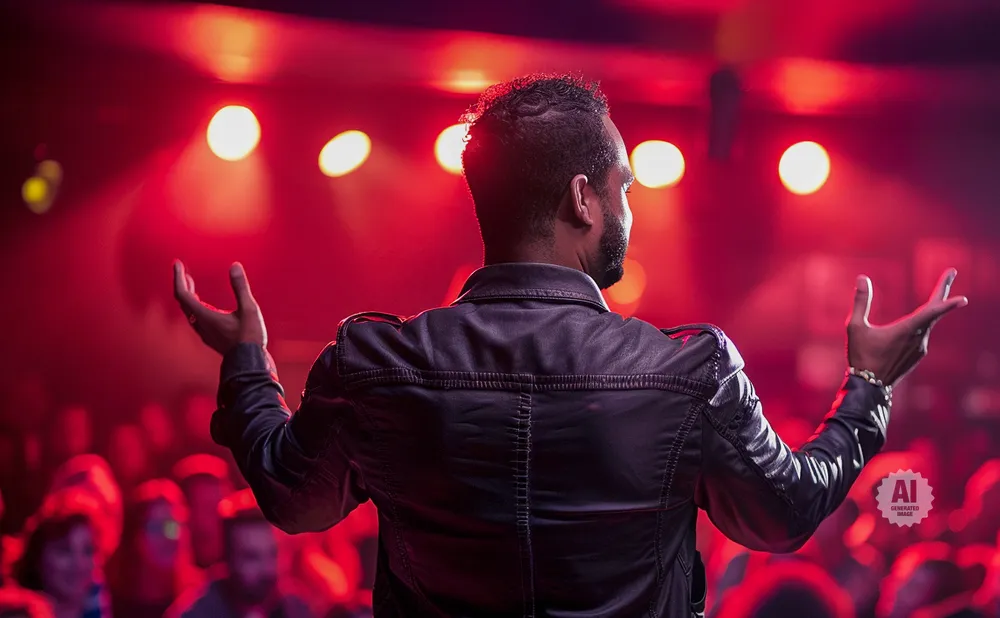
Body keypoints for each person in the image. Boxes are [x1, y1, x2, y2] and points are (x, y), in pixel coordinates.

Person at [171, 74, 968, 617]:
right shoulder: (689, 373)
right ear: (582, 199)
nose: (631, 207)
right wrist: (868, 386)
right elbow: (782, 513)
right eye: (624, 185)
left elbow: (291, 495)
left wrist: (248, 363)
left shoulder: (376, 364)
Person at [165, 489, 311, 618]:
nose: (267, 569)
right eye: (252, 557)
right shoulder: (195, 613)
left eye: (273, 554)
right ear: (228, 558)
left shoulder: (295, 608)